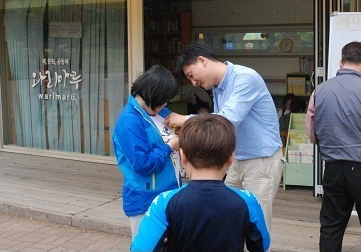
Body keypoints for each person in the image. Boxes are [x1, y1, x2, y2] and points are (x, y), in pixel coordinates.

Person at [165, 43, 283, 233]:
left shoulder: (245, 78)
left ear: (202, 61)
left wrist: (186, 120)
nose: (193, 83)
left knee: (257, 223)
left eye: (191, 75)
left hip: (260, 161)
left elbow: (226, 121)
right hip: (235, 160)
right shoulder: (218, 87)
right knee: (225, 213)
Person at [131, 114, 271, 252]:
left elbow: (140, 249)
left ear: (183, 156)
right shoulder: (247, 201)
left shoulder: (164, 202)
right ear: (231, 158)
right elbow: (261, 245)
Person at [305, 41, 361, 252]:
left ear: (341, 62)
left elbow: (312, 133)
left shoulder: (319, 92)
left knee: (331, 225)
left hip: (334, 168)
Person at [112, 65, 181, 239]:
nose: (165, 104)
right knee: (147, 245)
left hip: (169, 191)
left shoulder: (160, 112)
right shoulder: (129, 121)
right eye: (163, 99)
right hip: (144, 199)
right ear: (152, 94)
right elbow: (143, 164)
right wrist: (169, 146)